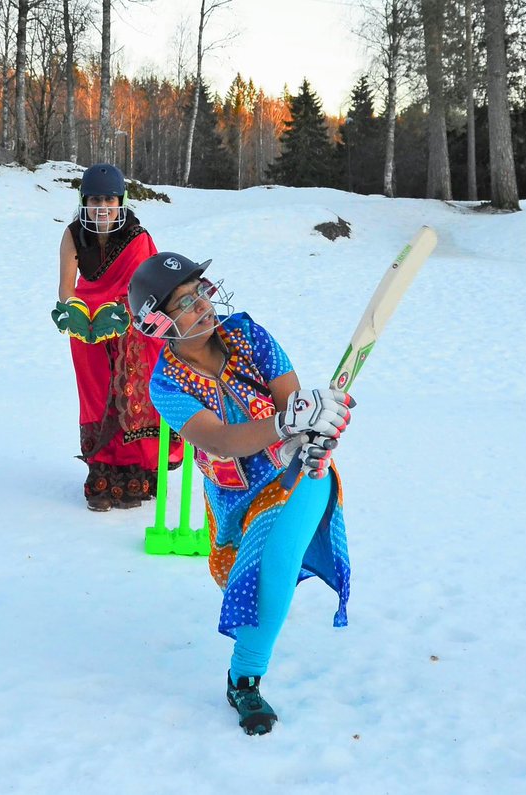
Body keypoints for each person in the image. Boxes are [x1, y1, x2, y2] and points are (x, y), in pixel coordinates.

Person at [127, 251, 357, 735]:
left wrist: (317, 430)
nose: (204, 306)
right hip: (235, 501)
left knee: (271, 572)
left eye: (202, 292)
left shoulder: (248, 333)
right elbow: (218, 439)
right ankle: (244, 680)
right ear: (156, 324)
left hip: (298, 473)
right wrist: (287, 423)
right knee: (258, 581)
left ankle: (243, 679)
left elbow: (291, 400)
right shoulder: (166, 384)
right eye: (185, 303)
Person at [52, 163, 181, 511]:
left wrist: (125, 314)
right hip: (89, 330)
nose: (102, 207)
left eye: (108, 199)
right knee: (96, 397)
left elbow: (148, 288)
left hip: (132, 329)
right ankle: (103, 475)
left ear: (120, 200)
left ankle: (136, 475)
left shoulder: (138, 237)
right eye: (94, 200)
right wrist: (75, 312)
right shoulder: (73, 234)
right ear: (84, 201)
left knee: (134, 397)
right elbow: (66, 288)